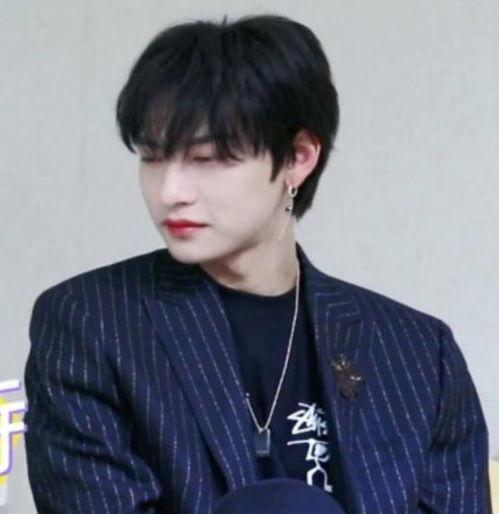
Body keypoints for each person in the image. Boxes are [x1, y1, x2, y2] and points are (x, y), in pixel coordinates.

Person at [23, 13, 492, 514]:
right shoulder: (92, 323)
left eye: (207, 158)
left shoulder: (418, 353)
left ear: (297, 158)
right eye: (152, 157)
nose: (170, 191)